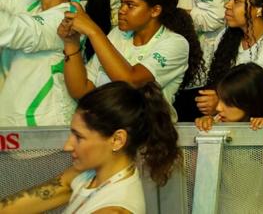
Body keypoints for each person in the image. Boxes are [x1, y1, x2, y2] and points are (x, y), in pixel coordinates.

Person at [0, 81, 178, 213]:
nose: (67, 146)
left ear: (117, 140)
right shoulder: (86, 175)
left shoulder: (114, 209)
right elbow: (11, 207)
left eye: (79, 137)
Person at [0, 0, 109, 126]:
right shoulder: (35, 4)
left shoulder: (66, 19)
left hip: (40, 127)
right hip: (15, 121)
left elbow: (13, 30)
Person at [59, 0, 203, 105]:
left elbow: (130, 82)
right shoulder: (117, 34)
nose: (121, 10)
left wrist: (93, 31)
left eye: (130, 5)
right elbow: (81, 90)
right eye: (122, 3)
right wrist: (71, 42)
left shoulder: (175, 43)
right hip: (106, 122)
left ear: (155, 10)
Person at [194, 62, 263, 131]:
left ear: (249, 101)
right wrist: (206, 125)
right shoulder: (221, 118)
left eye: (228, 103)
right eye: (220, 99)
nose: (218, 108)